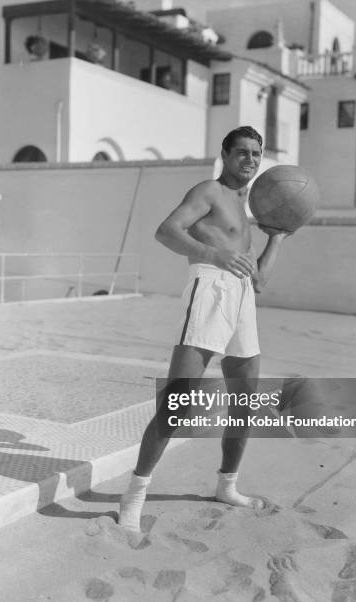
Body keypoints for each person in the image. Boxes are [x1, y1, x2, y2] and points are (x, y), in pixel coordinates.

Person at [119, 126, 290, 532]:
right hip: (209, 290)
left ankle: (226, 486)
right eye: (242, 153)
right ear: (226, 155)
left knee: (245, 400)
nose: (250, 160)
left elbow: (259, 279)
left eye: (256, 154)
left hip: (243, 297)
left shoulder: (247, 211)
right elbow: (166, 231)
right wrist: (214, 253)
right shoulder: (208, 192)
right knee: (177, 403)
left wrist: (277, 240)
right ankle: (134, 497)